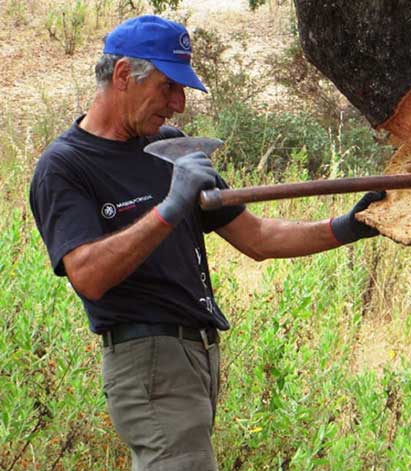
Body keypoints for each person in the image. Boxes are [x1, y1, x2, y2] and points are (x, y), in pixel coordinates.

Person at [28, 15, 383, 471]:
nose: (177, 104)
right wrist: (169, 208)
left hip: (195, 357)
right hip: (148, 361)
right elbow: (89, 276)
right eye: (167, 87)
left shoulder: (170, 146)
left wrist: (351, 225)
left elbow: (258, 238)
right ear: (122, 76)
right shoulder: (65, 167)